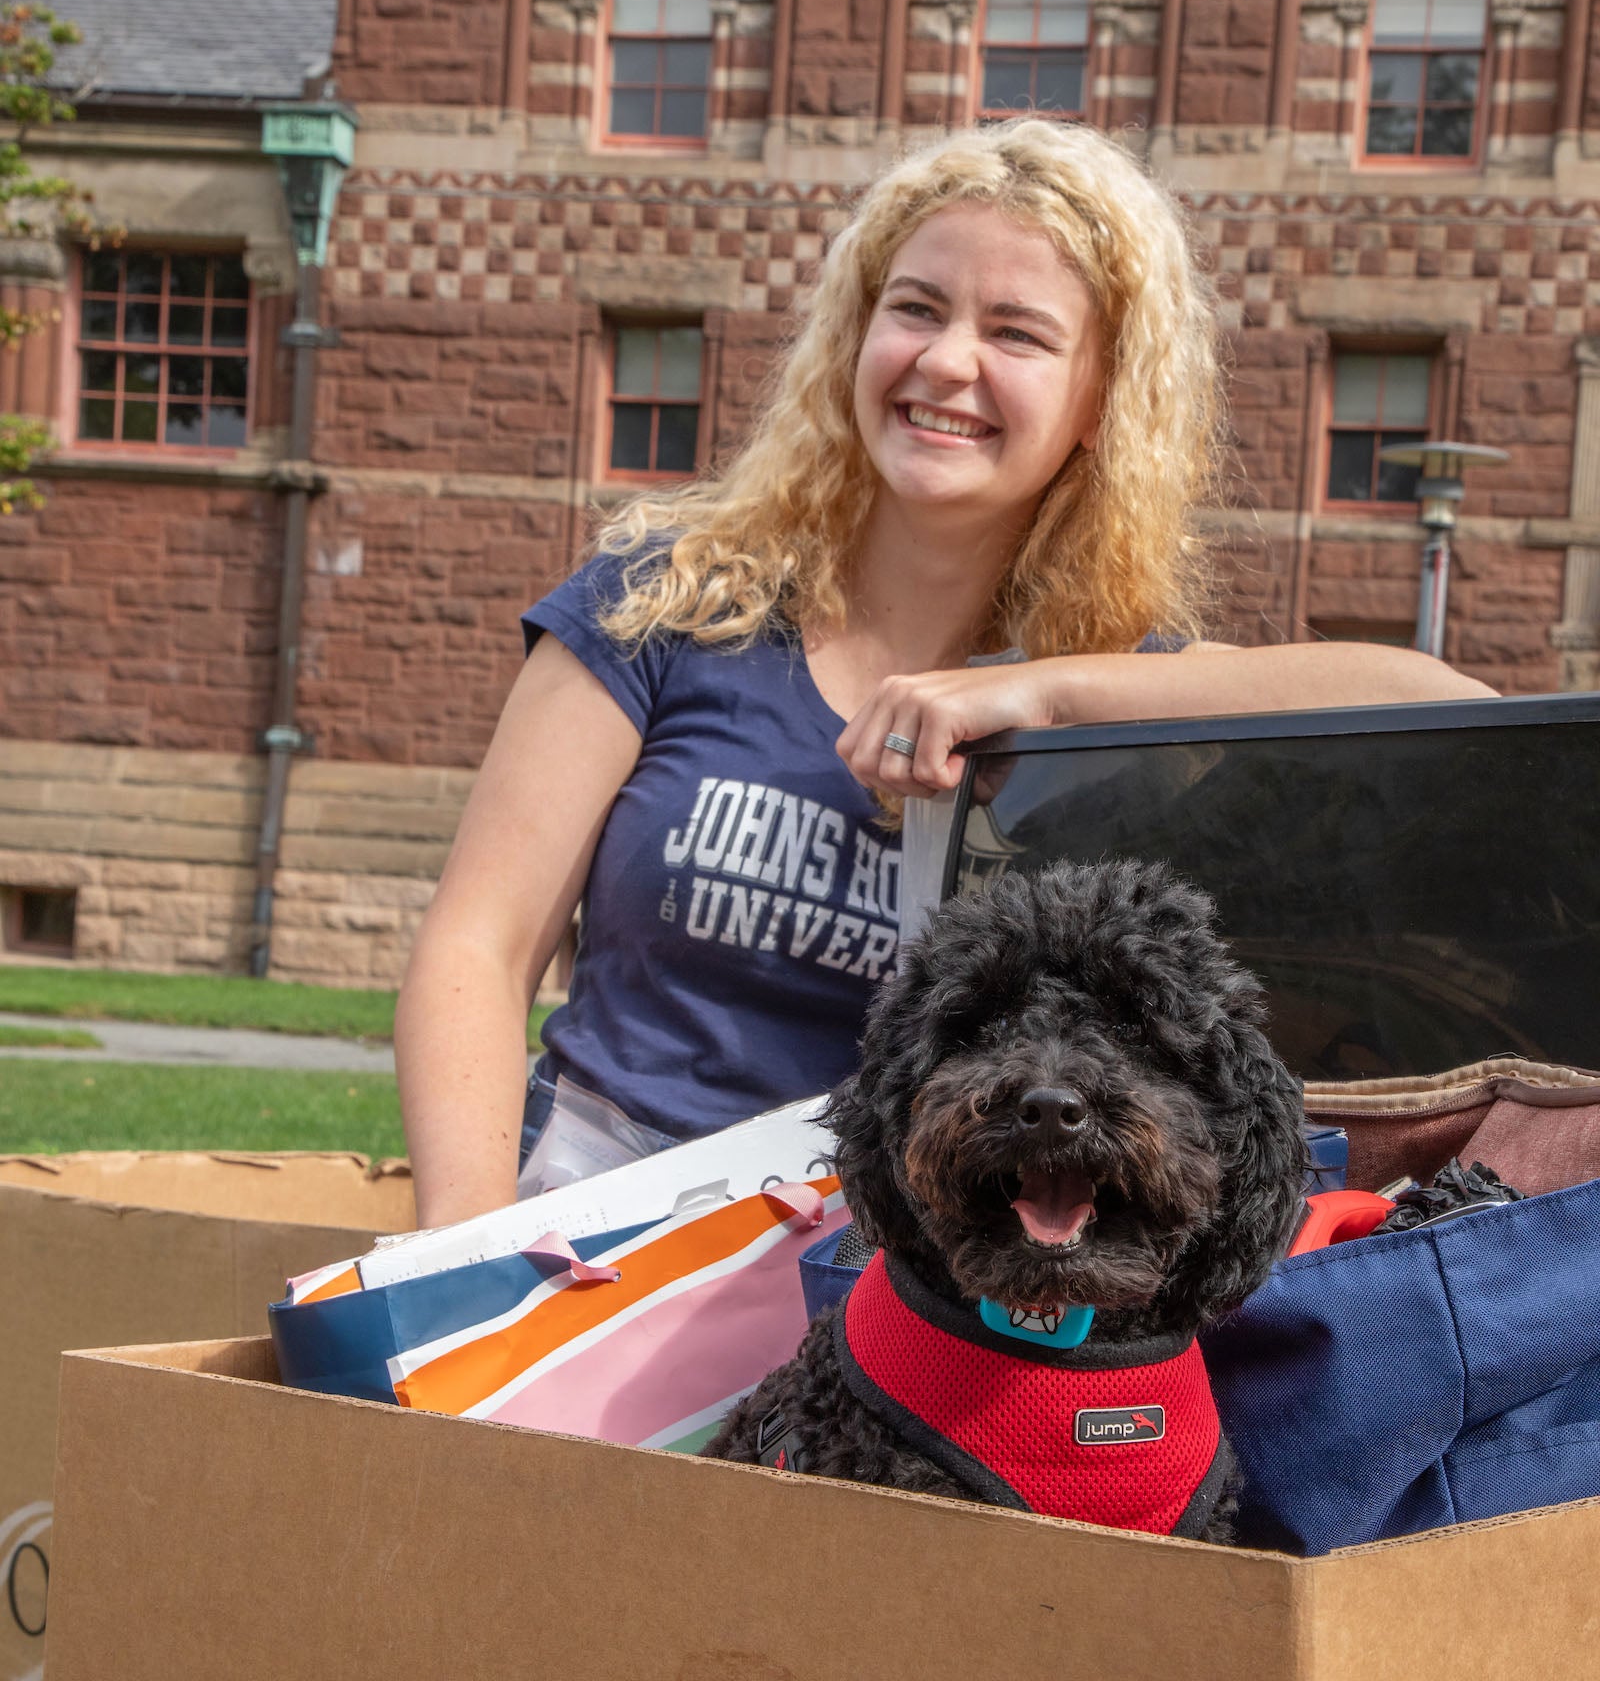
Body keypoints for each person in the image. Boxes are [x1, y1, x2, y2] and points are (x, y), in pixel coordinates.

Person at [395, 119, 1492, 1227]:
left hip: (906, 1270)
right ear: (854, 334)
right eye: (915, 308)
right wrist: (462, 1258)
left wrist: (1041, 693)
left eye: (1015, 333)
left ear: (1101, 401)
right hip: (587, 1218)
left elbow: (1454, 710)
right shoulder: (667, 599)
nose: (945, 361)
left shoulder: (1115, 692)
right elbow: (477, 948)